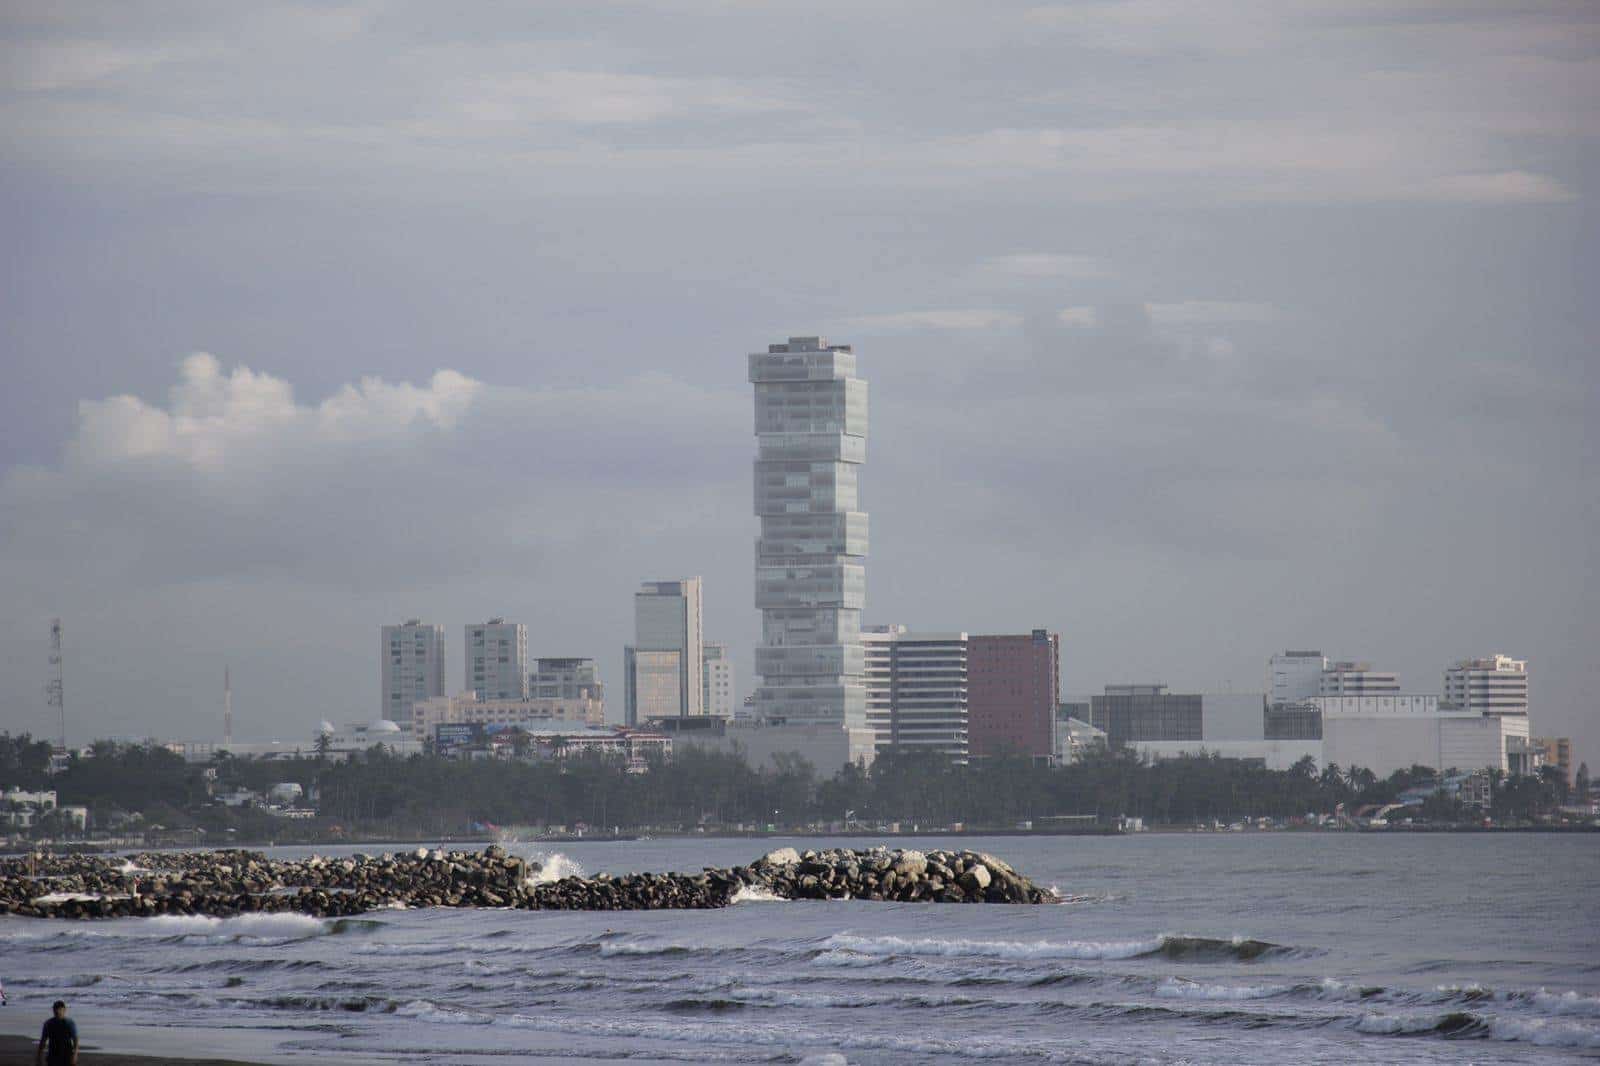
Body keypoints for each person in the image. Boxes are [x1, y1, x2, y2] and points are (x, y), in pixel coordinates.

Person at [36, 1000, 77, 1066]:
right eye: (56, 1010)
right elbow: (43, 1040)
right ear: (53, 1010)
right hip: (53, 1054)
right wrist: (39, 1056)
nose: (58, 1012)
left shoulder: (69, 1023)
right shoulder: (48, 1023)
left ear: (64, 1010)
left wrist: (75, 1054)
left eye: (60, 1010)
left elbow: (75, 1039)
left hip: (67, 1054)